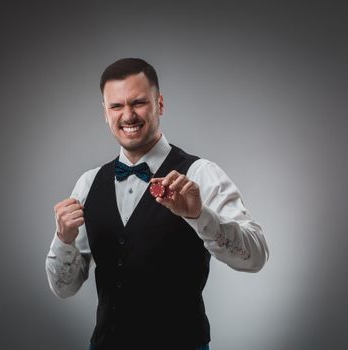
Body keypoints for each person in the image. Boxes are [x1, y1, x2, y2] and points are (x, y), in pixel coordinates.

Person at [45, 58, 269, 350]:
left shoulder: (201, 174)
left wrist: (200, 216)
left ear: (159, 104)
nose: (128, 115)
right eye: (116, 106)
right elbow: (65, 288)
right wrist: (64, 239)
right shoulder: (88, 184)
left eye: (138, 102)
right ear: (105, 113)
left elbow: (256, 256)